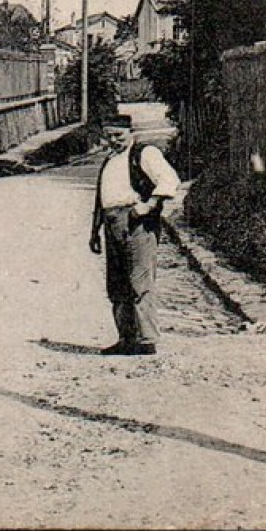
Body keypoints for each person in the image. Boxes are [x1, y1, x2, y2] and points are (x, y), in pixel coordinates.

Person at [88, 115, 180, 355]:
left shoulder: (143, 153)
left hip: (136, 222)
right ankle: (126, 338)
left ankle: (147, 339)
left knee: (139, 280)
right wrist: (95, 231)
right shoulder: (110, 160)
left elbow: (169, 180)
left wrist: (148, 205)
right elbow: (101, 199)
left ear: (131, 133)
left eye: (118, 135)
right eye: (108, 135)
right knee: (117, 283)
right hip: (111, 223)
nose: (113, 140)